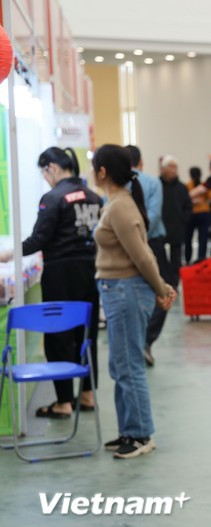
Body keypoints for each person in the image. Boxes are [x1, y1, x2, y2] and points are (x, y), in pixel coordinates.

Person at [0, 147, 103, 418]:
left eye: (44, 173)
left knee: (58, 334)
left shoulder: (53, 197)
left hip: (60, 273)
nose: (45, 179)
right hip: (90, 270)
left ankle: (63, 402)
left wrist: (11, 252)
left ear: (52, 168)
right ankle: (88, 394)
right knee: (87, 331)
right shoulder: (93, 196)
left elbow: (40, 239)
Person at [92, 144, 176, 459]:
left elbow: (142, 255)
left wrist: (162, 288)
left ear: (102, 172)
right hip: (118, 291)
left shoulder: (120, 206)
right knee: (120, 364)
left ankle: (141, 434)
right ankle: (129, 429)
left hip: (126, 291)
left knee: (129, 365)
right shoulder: (115, 203)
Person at [144, 155, 190, 365]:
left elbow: (188, 209)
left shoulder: (181, 188)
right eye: (171, 166)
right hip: (158, 239)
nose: (174, 169)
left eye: (176, 166)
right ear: (162, 169)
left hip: (176, 234)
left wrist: (183, 222)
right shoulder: (155, 186)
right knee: (162, 277)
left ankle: (171, 288)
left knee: (175, 267)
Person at [125, 145, 169, 367]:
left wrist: (129, 241)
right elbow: (153, 215)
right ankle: (145, 341)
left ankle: (136, 343)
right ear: (141, 162)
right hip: (152, 244)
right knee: (163, 293)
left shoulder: (116, 185)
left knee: (132, 294)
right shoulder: (153, 182)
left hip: (124, 249)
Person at [185, 166, 211, 263]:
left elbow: (183, 199)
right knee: (203, 238)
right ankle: (201, 260)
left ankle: (188, 260)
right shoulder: (204, 186)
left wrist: (192, 201)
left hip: (191, 214)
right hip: (204, 214)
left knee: (188, 238)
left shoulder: (187, 186)